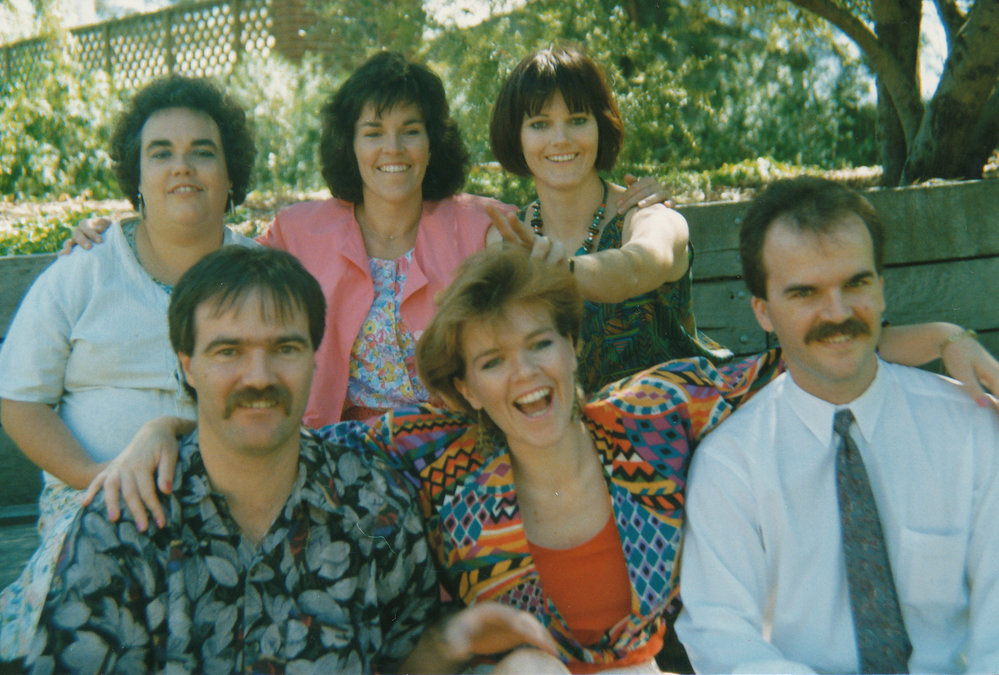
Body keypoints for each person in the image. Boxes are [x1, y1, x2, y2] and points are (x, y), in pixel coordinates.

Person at [91, 244, 998, 673]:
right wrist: (162, 430)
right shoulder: (433, 451)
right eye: (492, 361)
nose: (524, 374)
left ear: (571, 347)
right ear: (465, 386)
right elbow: (276, 426)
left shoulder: (649, 416)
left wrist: (944, 338)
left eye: (539, 344)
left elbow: (798, 356)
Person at [26, 246, 563, 674]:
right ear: (187, 366)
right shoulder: (125, 523)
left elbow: (403, 660)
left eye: (284, 348)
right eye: (229, 351)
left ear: (312, 358)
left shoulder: (373, 505)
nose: (259, 376)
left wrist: (453, 641)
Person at [68, 51, 668, 428]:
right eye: (373, 131)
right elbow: (212, 252)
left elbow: (544, 270)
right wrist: (124, 228)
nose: (392, 149)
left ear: (432, 143)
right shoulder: (299, 232)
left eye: (411, 131)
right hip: (336, 451)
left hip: (456, 446)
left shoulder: (476, 223)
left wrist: (620, 203)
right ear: (349, 144)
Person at [674, 177, 999, 673]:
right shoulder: (731, 464)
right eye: (805, 292)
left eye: (856, 284)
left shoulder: (970, 429)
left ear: (882, 289)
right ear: (763, 311)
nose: (838, 312)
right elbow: (722, 635)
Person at [0, 75, 258, 662]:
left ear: (230, 176)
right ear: (136, 177)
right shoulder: (85, 270)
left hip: (230, 498)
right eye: (160, 153)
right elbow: (20, 399)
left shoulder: (261, 277)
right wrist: (97, 475)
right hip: (93, 498)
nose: (181, 166)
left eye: (202, 151)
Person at [488, 44, 730, 394]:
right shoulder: (504, 241)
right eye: (540, 124)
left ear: (601, 125)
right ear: (516, 135)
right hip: (565, 423)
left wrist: (563, 270)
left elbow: (633, 269)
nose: (560, 139)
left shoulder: (648, 216)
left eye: (578, 120)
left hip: (676, 414)